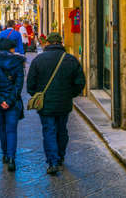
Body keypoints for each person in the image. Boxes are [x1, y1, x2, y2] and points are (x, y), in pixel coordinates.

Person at [27, 32, 86, 175]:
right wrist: (70, 94)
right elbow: (80, 82)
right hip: (64, 103)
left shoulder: (38, 60)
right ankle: (60, 157)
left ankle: (52, 162)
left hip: (45, 105)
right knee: (62, 130)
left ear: (47, 43)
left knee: (49, 130)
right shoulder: (71, 60)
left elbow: (30, 85)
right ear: (60, 43)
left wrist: (38, 95)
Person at [0, 38, 25, 172]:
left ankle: (4, 154)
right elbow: (18, 85)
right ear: (10, 49)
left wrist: (0, 100)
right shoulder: (18, 63)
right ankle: (11, 158)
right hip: (13, 102)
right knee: (11, 129)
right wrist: (9, 100)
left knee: (2, 128)